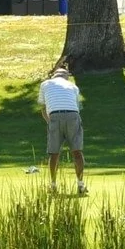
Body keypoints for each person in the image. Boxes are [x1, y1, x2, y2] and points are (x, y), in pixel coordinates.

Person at [39, 64, 87, 195]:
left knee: (54, 153)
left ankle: (53, 185)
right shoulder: (73, 86)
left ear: (54, 75)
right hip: (73, 116)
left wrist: (49, 122)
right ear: (66, 77)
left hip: (54, 115)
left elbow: (43, 108)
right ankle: (81, 185)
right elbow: (78, 108)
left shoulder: (45, 84)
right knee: (77, 151)